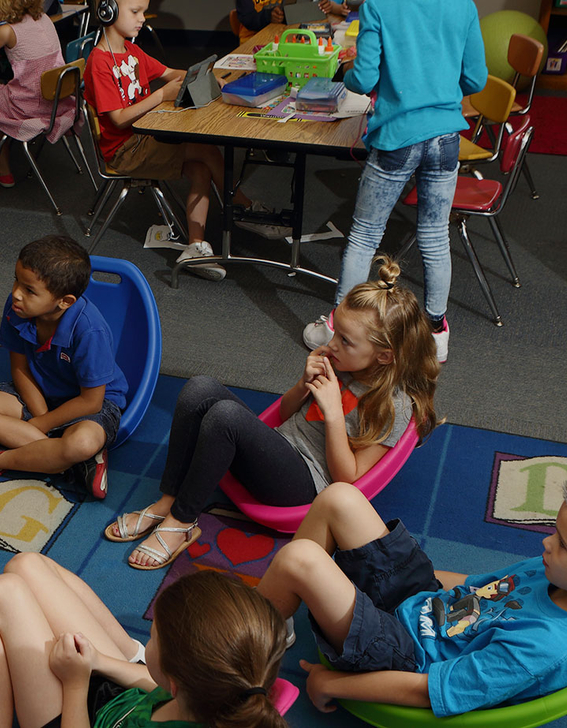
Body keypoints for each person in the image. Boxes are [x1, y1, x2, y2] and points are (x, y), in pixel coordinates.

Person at [107, 257, 439, 569]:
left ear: (384, 356)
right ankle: (169, 500)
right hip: (277, 450)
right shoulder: (343, 365)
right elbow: (283, 416)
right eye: (335, 331)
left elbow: (348, 482)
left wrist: (335, 414)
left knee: (225, 416)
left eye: (347, 341)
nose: (333, 344)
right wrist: (302, 385)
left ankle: (182, 521)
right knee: (199, 388)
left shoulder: (393, 407)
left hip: (306, 485)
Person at [256, 463, 567, 716]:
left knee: (299, 559)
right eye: (554, 531)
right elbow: (476, 588)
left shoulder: (546, 648)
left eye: (563, 544)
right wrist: (408, 565)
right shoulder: (562, 574)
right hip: (427, 604)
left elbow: (429, 691)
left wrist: (330, 682)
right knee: (340, 498)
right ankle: (273, 617)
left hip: (405, 659)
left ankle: (241, 645)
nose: (546, 543)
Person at [301, 0, 486, 362]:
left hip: (398, 136)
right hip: (446, 136)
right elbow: (474, 79)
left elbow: (364, 79)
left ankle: (339, 330)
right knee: (435, 236)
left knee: (365, 235)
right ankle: (435, 336)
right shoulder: (463, 4)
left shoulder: (380, 5)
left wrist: (351, 71)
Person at [0, 553, 290, 728]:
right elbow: (152, 682)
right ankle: (124, 655)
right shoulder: (218, 695)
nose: (152, 633)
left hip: (77, 717)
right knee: (26, 564)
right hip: (121, 700)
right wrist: (100, 662)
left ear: (175, 682)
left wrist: (76, 686)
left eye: (154, 635)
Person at [84, 0, 289, 282]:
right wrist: (159, 96)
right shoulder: (100, 61)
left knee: (202, 167)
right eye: (135, 12)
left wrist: (205, 75)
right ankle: (244, 210)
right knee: (206, 149)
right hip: (124, 151)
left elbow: (169, 73)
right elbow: (118, 119)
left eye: (143, 11)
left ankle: (195, 247)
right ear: (108, 12)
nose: (142, 18)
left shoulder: (131, 51)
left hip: (143, 137)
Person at [0, 235, 129, 500]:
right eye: (16, 280)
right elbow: (20, 369)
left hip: (92, 403)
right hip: (37, 393)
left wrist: (40, 423)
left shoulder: (90, 330)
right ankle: (76, 463)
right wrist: (42, 418)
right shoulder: (17, 309)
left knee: (82, 442)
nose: (16, 293)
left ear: (65, 301)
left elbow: (91, 402)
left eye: (29, 290)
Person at [0, 0, 74, 189]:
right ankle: (0, 130)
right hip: (57, 102)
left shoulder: (7, 32)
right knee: (4, 89)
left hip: (29, 107)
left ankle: (3, 171)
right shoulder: (44, 19)